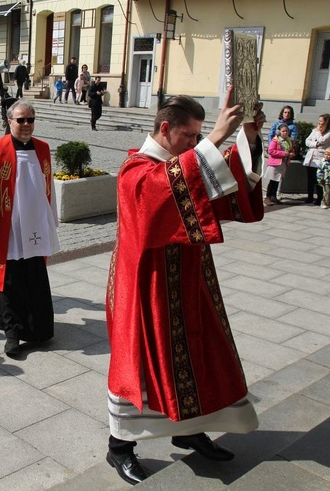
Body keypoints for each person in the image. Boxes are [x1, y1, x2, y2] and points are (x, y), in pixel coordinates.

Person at [104, 88, 266, 485]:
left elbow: (223, 181)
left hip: (190, 281)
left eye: (197, 137)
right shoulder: (135, 170)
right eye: (188, 137)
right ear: (164, 128)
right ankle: (120, 447)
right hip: (148, 289)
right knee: (144, 366)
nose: (194, 143)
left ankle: (190, 430)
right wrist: (214, 139)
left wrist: (247, 135)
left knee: (198, 355)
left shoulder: (180, 163)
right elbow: (164, 189)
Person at [0, 100, 59, 357]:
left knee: (35, 277)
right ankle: (12, 333)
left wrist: (51, 219)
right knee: (10, 281)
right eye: (20, 120)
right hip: (9, 227)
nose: (26, 125)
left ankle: (38, 330)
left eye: (30, 120)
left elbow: (49, 188)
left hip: (35, 225)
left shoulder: (43, 149)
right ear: (9, 121)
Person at [303, 114, 330, 205]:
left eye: (321, 121)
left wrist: (318, 133)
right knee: (310, 179)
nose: (319, 123)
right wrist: (315, 144)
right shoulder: (314, 130)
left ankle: (319, 198)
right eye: (319, 120)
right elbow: (307, 141)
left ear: (326, 122)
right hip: (310, 158)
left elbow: (322, 140)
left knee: (318, 179)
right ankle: (310, 197)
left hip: (319, 158)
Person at [263, 124, 294, 206]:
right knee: (272, 180)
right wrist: (284, 154)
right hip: (275, 163)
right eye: (283, 131)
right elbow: (271, 151)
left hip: (283, 164)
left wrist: (291, 154)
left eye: (287, 131)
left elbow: (291, 150)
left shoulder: (288, 141)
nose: (285, 133)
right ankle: (268, 197)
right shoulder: (275, 141)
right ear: (279, 132)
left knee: (277, 180)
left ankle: (273, 196)